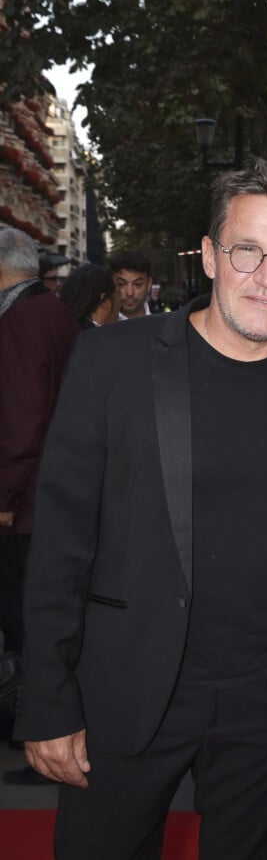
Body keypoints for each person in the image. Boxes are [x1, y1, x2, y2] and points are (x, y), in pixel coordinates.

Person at [14, 155, 267, 860]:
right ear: (208, 254)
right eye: (247, 251)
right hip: (126, 688)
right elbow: (61, 539)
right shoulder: (116, 362)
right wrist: (47, 698)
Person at [0, 229, 79, 735]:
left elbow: (21, 418)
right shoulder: (51, 311)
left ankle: (34, 724)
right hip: (48, 492)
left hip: (25, 501)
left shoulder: (20, 320)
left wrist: (4, 497)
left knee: (25, 620)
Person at [60, 263, 120, 329]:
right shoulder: (100, 337)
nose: (121, 300)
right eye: (118, 293)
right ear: (105, 303)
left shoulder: (62, 330)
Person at [109, 250, 153, 319]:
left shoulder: (165, 325)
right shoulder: (100, 327)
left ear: (149, 284)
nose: (130, 293)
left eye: (137, 284)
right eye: (121, 284)